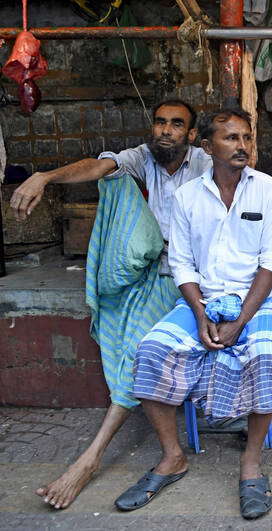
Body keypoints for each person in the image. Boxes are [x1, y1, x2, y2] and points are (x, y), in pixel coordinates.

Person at [9, 99, 211, 511]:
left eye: (176, 125)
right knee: (113, 181)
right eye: (159, 123)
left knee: (138, 348)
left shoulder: (206, 163)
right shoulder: (142, 158)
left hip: (196, 278)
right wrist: (44, 177)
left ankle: (90, 458)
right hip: (155, 268)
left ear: (191, 135)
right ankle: (118, 282)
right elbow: (98, 166)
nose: (165, 131)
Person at [115, 108, 272, 520]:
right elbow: (182, 264)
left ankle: (250, 464)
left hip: (258, 299)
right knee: (152, 350)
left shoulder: (270, 191)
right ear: (207, 147)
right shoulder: (187, 197)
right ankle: (173, 456)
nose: (241, 146)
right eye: (230, 138)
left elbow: (271, 262)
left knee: (264, 353)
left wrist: (240, 322)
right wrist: (199, 312)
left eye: (246, 137)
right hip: (202, 299)